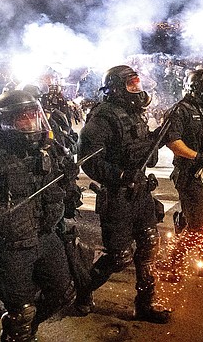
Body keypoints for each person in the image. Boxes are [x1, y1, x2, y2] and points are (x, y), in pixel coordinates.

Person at [0, 90, 76, 342]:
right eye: (22, 118)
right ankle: (18, 333)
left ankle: (27, 329)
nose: (30, 124)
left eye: (33, 117)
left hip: (46, 234)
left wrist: (67, 178)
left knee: (64, 293)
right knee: (21, 312)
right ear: (4, 120)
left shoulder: (45, 148)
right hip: (10, 245)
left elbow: (58, 187)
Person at [75, 65, 171, 323]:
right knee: (119, 257)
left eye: (137, 84)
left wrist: (157, 138)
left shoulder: (135, 114)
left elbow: (143, 153)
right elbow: (89, 160)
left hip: (140, 194)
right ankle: (82, 291)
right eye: (131, 85)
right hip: (117, 196)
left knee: (149, 245)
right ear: (117, 88)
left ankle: (145, 304)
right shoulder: (103, 117)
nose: (137, 90)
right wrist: (120, 175)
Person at [162, 68, 203, 279]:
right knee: (199, 225)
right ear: (197, 88)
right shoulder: (179, 111)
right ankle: (172, 263)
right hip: (190, 174)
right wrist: (196, 156)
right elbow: (173, 142)